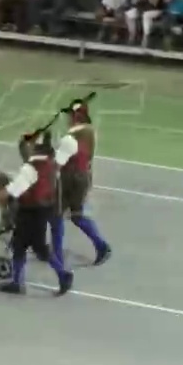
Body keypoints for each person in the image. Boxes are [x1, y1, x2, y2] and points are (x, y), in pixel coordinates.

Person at [0, 131, 74, 295]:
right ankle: (19, 281)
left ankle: (61, 275)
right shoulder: (50, 162)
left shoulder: (30, 168)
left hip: (30, 211)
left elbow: (14, 190)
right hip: (43, 209)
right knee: (24, 246)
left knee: (30, 247)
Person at [53, 99, 112, 265]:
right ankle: (101, 246)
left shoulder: (70, 138)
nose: (67, 119)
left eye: (70, 115)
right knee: (77, 216)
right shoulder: (90, 131)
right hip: (83, 176)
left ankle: (56, 254)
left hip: (70, 179)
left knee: (56, 215)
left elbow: (58, 164)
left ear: (75, 116)